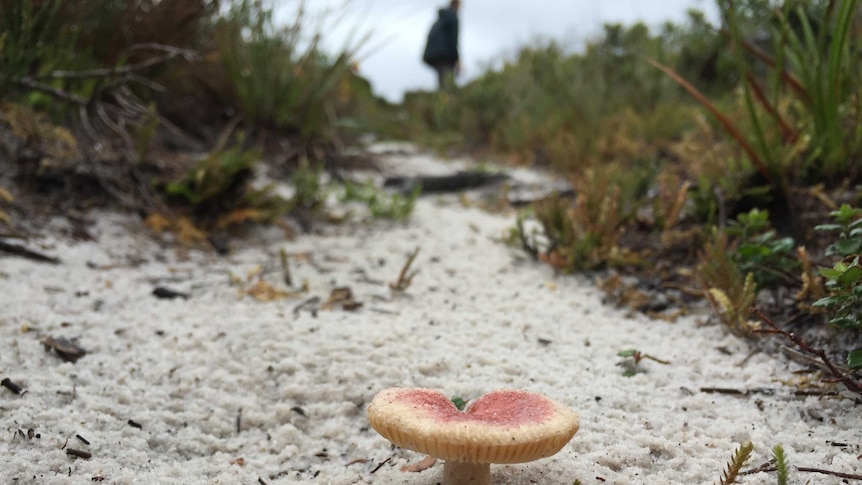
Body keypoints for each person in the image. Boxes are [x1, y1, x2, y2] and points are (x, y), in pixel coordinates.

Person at [422, 0, 461, 92]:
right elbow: (453, 40)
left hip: (434, 54)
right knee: (447, 84)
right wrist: (457, 59)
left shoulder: (442, 18)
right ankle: (447, 102)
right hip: (444, 55)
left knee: (442, 81)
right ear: (457, 5)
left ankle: (442, 100)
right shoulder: (452, 17)